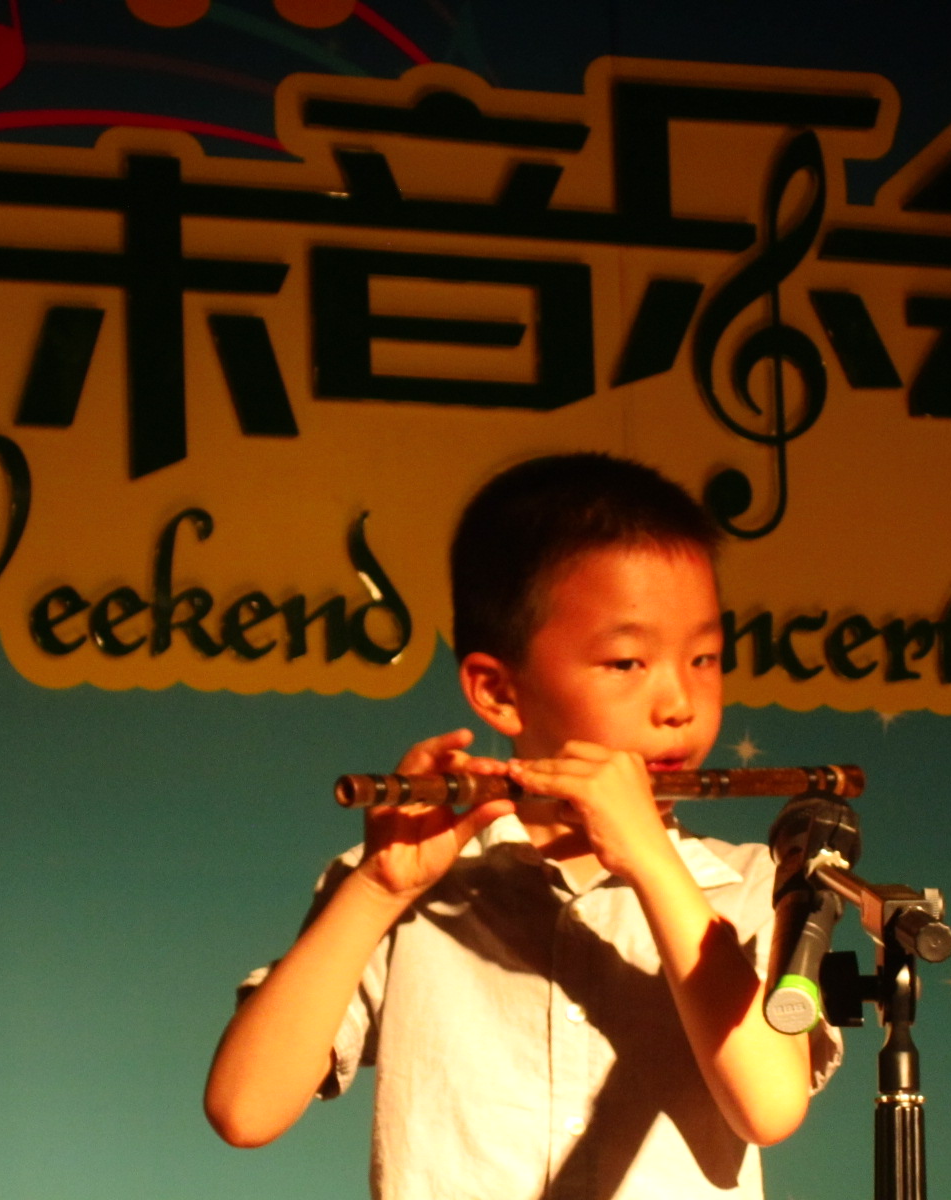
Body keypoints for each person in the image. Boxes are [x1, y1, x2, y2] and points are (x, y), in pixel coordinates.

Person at [205, 453, 839, 1199]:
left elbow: (769, 1107)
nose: (679, 703)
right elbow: (244, 1109)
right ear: (498, 693)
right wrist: (377, 890)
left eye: (704, 658)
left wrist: (651, 862)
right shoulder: (406, 888)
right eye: (627, 662)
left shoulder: (753, 884)